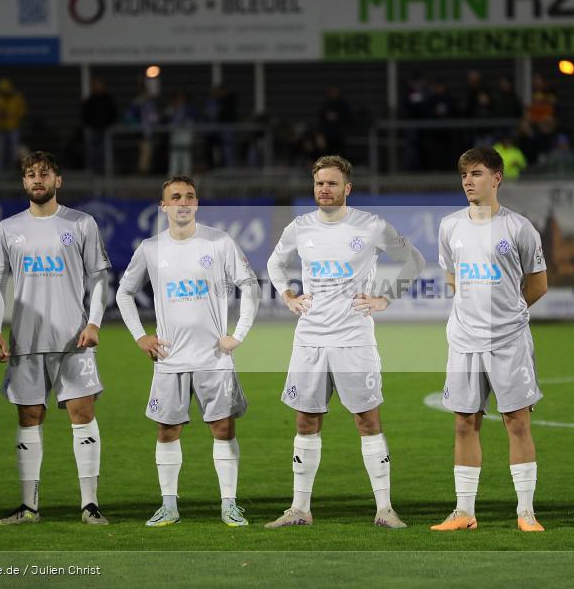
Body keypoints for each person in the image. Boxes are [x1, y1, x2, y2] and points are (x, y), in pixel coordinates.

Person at [265, 155, 425, 529]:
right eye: (320, 183)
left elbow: (413, 260)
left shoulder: (370, 226)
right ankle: (300, 508)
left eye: (333, 183)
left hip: (354, 338)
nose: (325, 189)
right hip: (310, 339)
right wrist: (288, 294)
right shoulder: (299, 228)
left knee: (367, 419)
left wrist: (386, 297)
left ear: (347, 188)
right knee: (306, 419)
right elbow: (275, 263)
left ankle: (384, 509)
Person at [116, 175, 261, 527]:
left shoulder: (219, 242)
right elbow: (124, 293)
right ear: (163, 205)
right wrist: (140, 336)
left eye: (190, 196)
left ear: (197, 203)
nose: (183, 202)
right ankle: (169, 506)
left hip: (214, 358)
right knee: (167, 431)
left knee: (223, 429)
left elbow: (250, 286)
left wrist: (238, 334)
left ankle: (229, 504)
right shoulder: (151, 248)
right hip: (169, 359)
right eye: (175, 197)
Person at [0, 151, 111, 525]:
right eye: (29, 174)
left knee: (82, 413)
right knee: (29, 416)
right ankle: (29, 507)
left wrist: (95, 323)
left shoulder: (82, 223)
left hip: (74, 339)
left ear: (58, 180)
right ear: (23, 182)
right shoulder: (8, 228)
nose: (36, 179)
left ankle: (89, 505)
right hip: (25, 341)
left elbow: (100, 278)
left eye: (44, 173)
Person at [430, 147, 548, 533]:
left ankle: (526, 512)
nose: (468, 181)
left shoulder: (519, 228)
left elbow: (539, 284)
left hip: (509, 341)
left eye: (476, 173)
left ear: (496, 178)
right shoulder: (450, 226)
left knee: (516, 423)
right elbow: (451, 277)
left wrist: (510, 312)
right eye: (464, 174)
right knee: (464, 423)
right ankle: (464, 511)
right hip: (464, 341)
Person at [0, 78, 27, 175]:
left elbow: (22, 113)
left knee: (14, 151)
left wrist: (17, 121)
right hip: (1, 128)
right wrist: (0, 114)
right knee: (0, 151)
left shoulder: (17, 98)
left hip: (14, 127)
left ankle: (13, 171)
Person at [82, 78, 118, 175]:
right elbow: (85, 114)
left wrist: (108, 124)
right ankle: (95, 171)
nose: (97, 87)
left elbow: (113, 113)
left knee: (106, 151)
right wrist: (91, 124)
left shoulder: (108, 100)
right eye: (95, 85)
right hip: (94, 130)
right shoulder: (90, 100)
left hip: (106, 130)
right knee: (94, 152)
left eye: (99, 85)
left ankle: (108, 170)